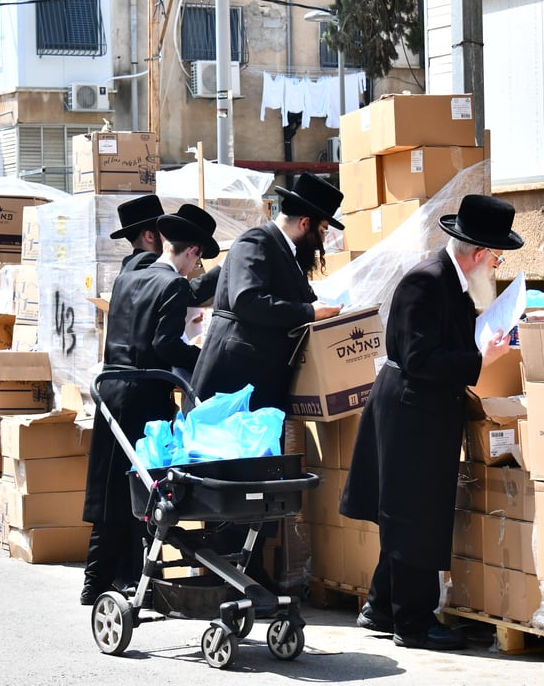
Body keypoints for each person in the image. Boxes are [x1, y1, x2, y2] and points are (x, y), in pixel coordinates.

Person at [339, 194, 523, 651]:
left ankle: (381, 608)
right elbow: (421, 358)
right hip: (410, 412)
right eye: (496, 256)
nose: (496, 265)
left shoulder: (450, 282)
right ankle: (413, 623)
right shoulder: (428, 281)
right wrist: (481, 359)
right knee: (415, 516)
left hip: (422, 410)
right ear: (478, 253)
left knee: (408, 514)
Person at [81, 204, 220, 605]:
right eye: (198, 261)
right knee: (143, 490)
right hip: (145, 396)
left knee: (109, 489)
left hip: (111, 392)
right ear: (192, 251)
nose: (196, 270)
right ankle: (133, 581)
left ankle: (95, 581)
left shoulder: (129, 278)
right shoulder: (172, 286)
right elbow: (164, 345)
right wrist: (204, 358)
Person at [191, 172, 343, 412]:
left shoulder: (288, 253)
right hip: (235, 382)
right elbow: (247, 300)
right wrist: (308, 312)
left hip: (261, 380)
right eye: (323, 230)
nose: (321, 241)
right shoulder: (256, 242)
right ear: (305, 223)